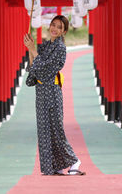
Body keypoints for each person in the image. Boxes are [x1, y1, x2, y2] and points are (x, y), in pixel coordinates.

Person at [23, 15, 85, 176]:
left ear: (64, 31)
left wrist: (33, 50)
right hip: (41, 92)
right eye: (53, 25)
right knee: (44, 130)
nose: (54, 29)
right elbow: (35, 68)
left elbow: (45, 69)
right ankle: (54, 165)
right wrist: (31, 48)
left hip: (52, 92)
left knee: (56, 129)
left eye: (59, 27)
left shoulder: (60, 48)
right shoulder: (46, 46)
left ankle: (73, 160)